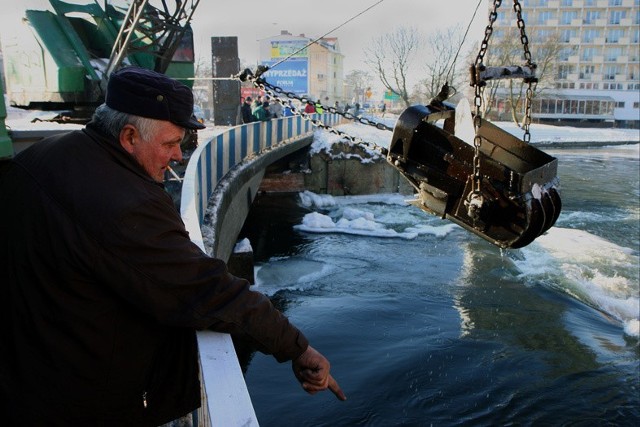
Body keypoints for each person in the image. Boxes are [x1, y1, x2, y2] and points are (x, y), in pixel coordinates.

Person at [0, 66, 345, 426]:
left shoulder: (40, 157)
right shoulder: (125, 205)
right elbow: (206, 291)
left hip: (27, 380)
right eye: (170, 143)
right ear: (130, 136)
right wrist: (296, 347)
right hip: (77, 401)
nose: (179, 156)